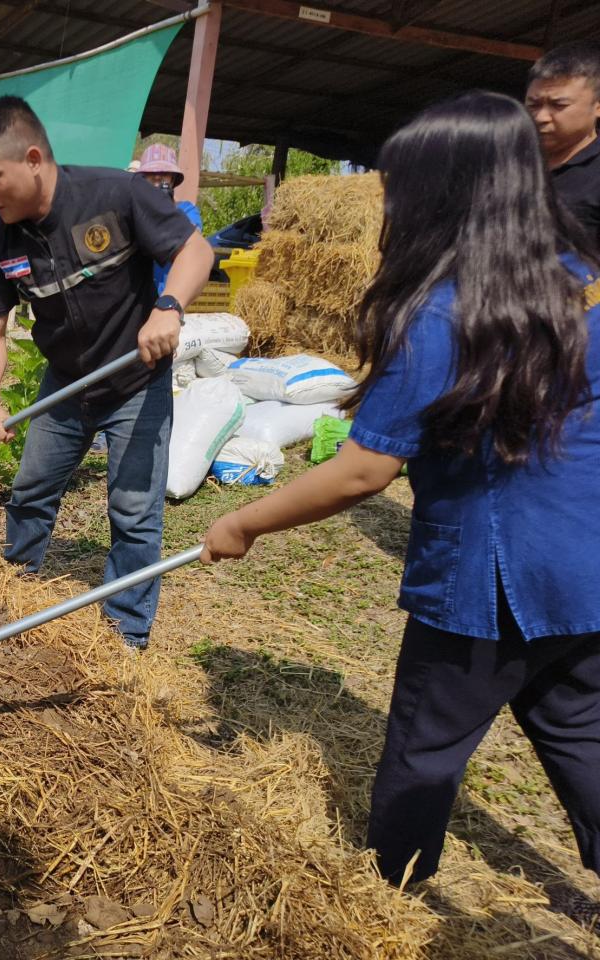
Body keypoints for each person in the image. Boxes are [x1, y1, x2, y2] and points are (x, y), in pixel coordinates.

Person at [201, 91, 600, 889]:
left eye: (398, 183)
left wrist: (242, 523)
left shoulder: (442, 314)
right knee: (581, 732)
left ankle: (388, 896)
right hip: (585, 569)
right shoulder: (584, 285)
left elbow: (363, 469)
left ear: (443, 192)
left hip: (489, 586)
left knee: (424, 750)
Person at [0, 96, 214, 651]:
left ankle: (124, 637)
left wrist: (168, 306)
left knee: (133, 512)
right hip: (65, 385)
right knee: (29, 491)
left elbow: (196, 251)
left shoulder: (115, 196)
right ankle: (10, 593)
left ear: (32, 158)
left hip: (135, 383)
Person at [527, 40, 600, 243]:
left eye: (558, 105)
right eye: (533, 105)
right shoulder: (509, 163)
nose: (541, 117)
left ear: (597, 107)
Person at [135, 143, 205, 294]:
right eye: (151, 174)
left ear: (172, 179)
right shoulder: (134, 210)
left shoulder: (186, 210)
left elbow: (194, 240)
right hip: (137, 297)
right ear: (142, 179)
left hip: (167, 299)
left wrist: (167, 210)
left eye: (163, 174)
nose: (157, 178)